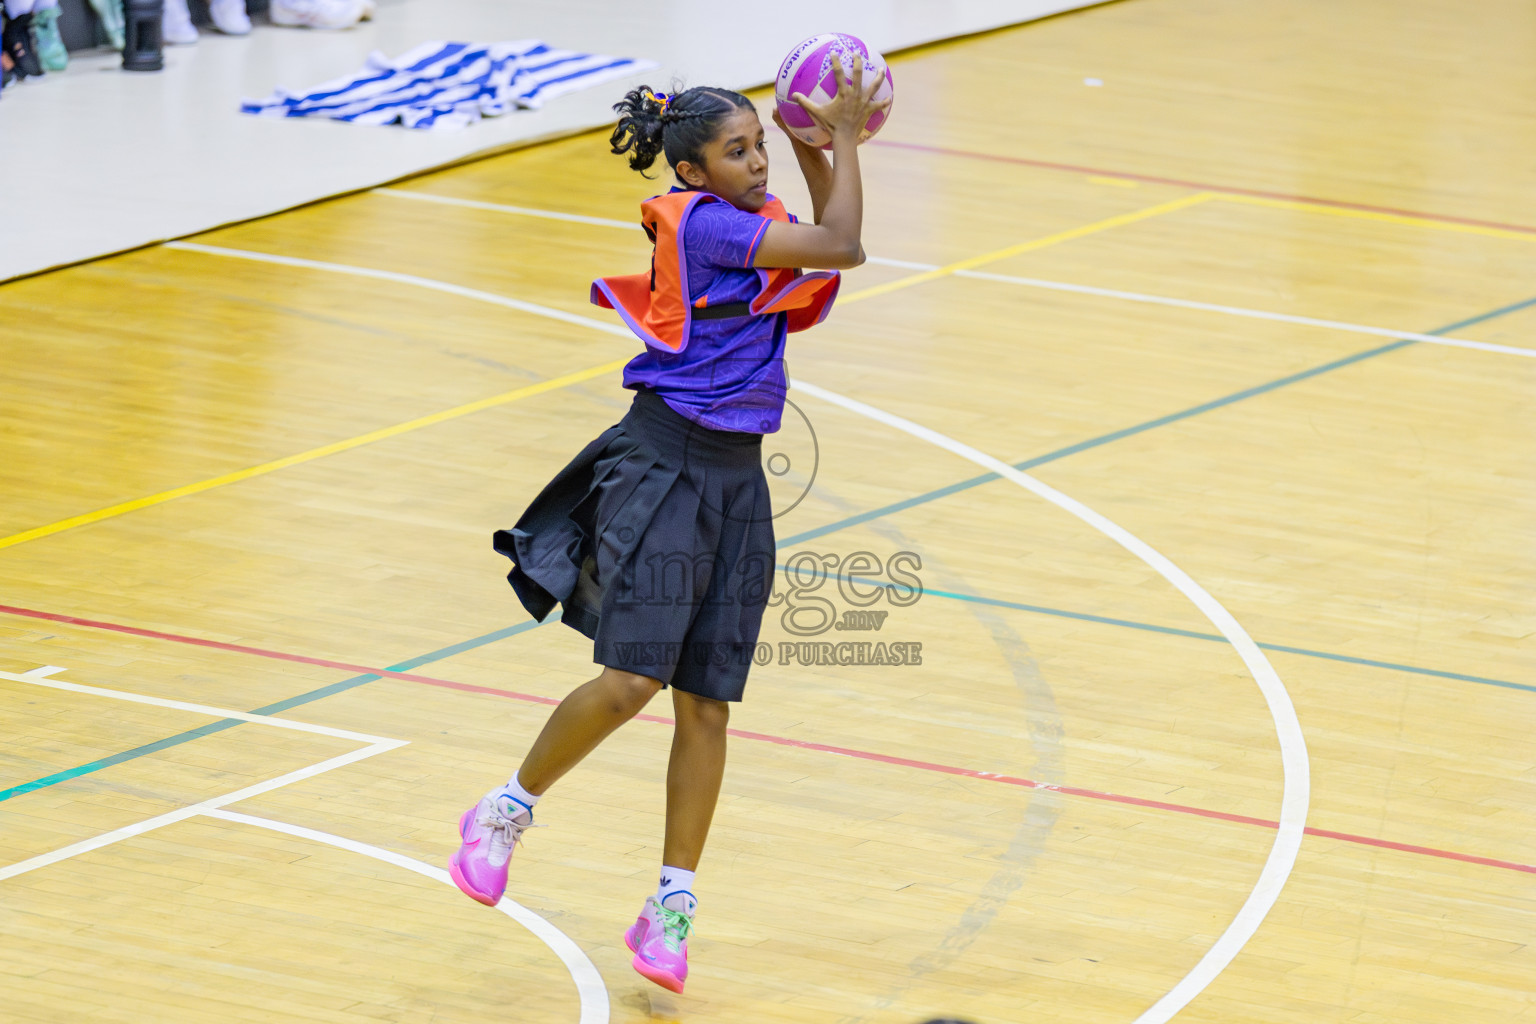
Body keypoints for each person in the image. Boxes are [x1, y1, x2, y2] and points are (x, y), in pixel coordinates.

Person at [447, 60, 890, 994]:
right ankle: (504, 811)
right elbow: (844, 244)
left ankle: (670, 906)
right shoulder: (711, 225)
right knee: (631, 681)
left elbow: (826, 237)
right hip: (667, 461)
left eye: (761, 145)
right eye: (739, 151)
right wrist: (843, 137)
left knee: (707, 702)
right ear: (692, 172)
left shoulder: (750, 215)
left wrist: (810, 145)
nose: (757, 163)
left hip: (736, 479)